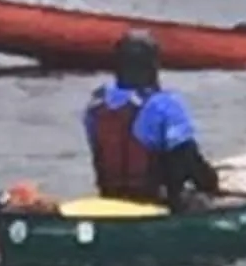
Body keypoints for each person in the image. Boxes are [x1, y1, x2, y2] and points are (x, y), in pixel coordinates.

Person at [83, 32, 221, 209]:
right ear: (153, 66)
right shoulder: (164, 104)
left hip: (110, 198)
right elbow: (188, 159)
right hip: (157, 202)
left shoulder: (97, 105)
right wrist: (211, 185)